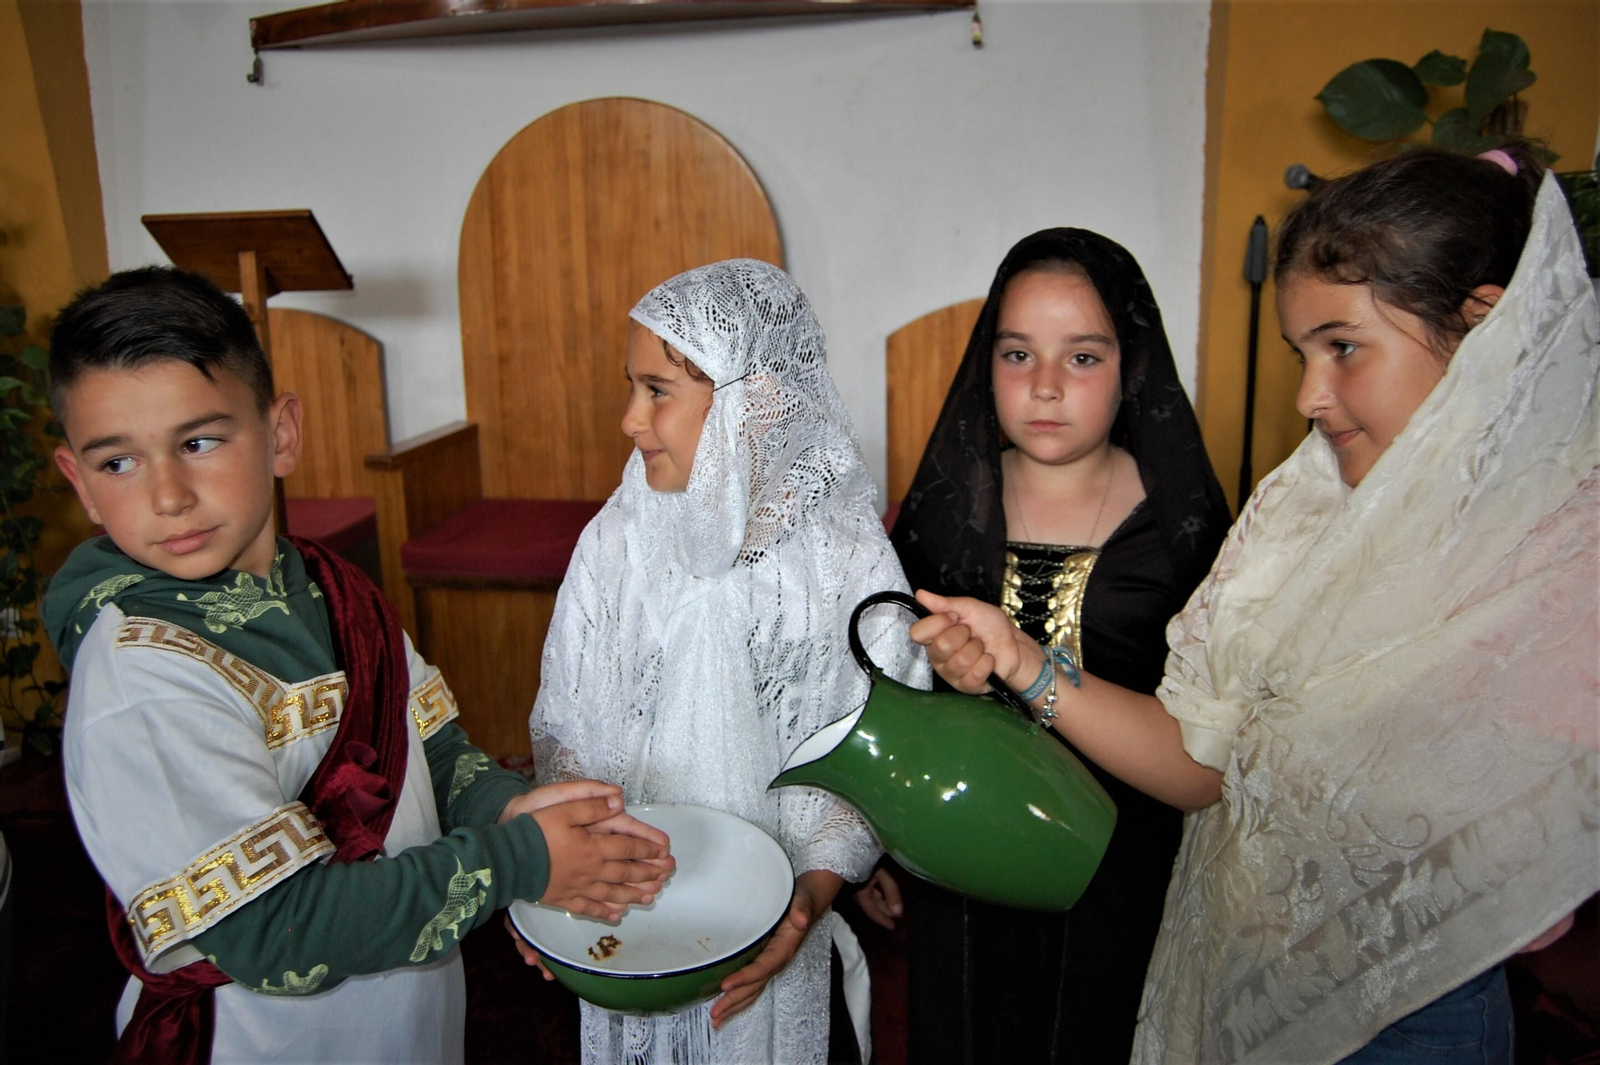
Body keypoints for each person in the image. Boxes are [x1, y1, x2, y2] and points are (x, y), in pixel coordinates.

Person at [908, 144, 1598, 1064]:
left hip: (1418, 999)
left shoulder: (1555, 548)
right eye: (1302, 354)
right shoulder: (1298, 517)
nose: (1310, 395)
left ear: (1485, 330)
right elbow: (1204, 759)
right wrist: (1020, 662)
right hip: (1243, 973)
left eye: (1343, 347)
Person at [42, 266, 672, 1065]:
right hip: (263, 1040)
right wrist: (521, 861)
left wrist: (510, 812)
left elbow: (435, 754)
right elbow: (278, 927)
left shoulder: (333, 589)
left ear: (280, 434)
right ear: (80, 484)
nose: (168, 494)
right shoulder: (141, 675)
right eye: (118, 463)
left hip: (403, 1017)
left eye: (199, 441)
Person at [522, 259, 927, 1065]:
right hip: (632, 907)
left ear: (754, 402)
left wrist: (811, 895)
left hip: (776, 919)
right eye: (632, 386)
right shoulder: (615, 541)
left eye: (657, 390)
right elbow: (564, 719)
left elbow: (878, 746)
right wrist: (558, 862)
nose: (631, 419)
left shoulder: (842, 559)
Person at [857, 228, 1231, 1063]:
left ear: (1131, 363)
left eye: (1084, 358)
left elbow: (1211, 734)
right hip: (962, 870)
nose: (1047, 387)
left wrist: (1025, 664)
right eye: (1018, 354)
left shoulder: (1184, 527)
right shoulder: (947, 508)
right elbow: (890, 691)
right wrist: (874, 840)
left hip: (1123, 864)